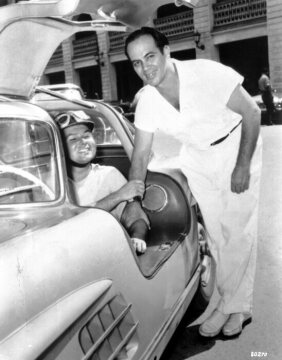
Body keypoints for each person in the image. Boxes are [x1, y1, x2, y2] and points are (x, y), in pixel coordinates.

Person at [125, 27, 262, 337]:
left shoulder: (206, 73)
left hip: (236, 146)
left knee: (238, 230)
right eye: (136, 63)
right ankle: (229, 301)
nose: (145, 68)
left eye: (150, 57)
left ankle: (234, 307)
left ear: (166, 51)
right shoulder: (147, 100)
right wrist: (134, 201)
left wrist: (242, 166)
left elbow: (252, 113)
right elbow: (141, 155)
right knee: (216, 235)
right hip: (197, 157)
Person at [55, 110, 149, 254]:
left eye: (86, 136)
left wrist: (137, 237)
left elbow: (135, 214)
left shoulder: (109, 175)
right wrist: (118, 195)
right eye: (73, 139)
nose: (83, 142)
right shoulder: (52, 183)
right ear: (59, 147)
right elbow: (72, 224)